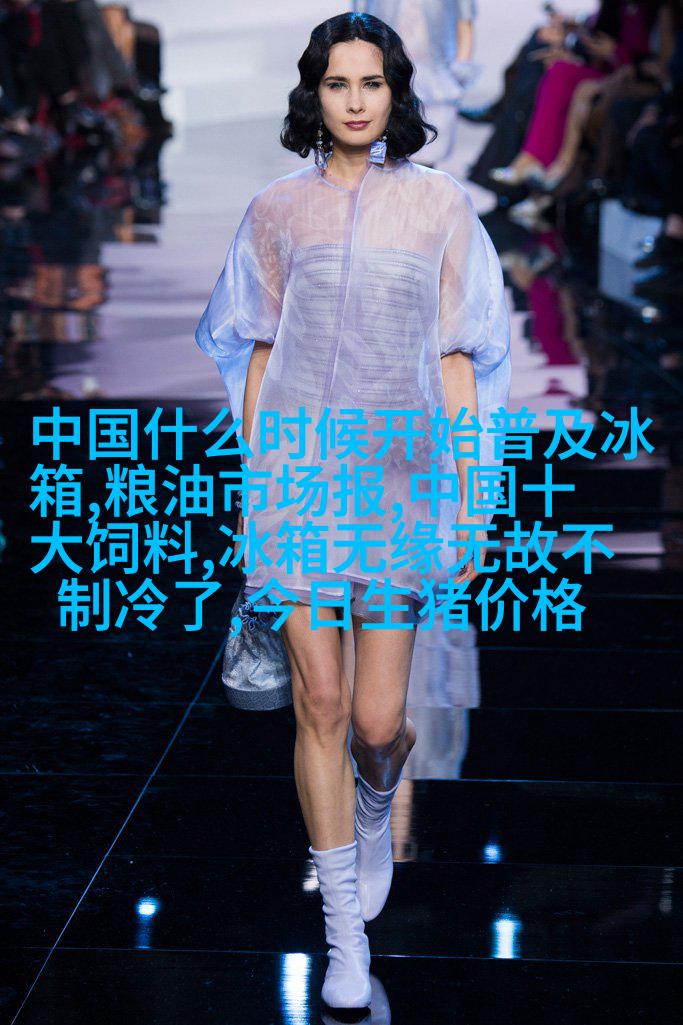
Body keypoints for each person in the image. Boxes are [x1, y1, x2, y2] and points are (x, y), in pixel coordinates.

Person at [195, 11, 510, 1012]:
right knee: (320, 704)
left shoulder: (438, 206)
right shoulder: (275, 211)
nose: (356, 100)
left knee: (377, 723)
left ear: (394, 92)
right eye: (338, 83)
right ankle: (342, 936)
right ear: (314, 95)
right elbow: (252, 346)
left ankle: (378, 797)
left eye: (372, 82)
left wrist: (473, 495)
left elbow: (459, 359)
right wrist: (256, 479)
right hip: (298, 482)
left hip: (400, 485)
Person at [355, 0, 481, 166]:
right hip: (385, 76)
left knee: (426, 157)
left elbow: (465, 21)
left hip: (435, 82)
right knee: (379, 155)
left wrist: (460, 67)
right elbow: (358, 22)